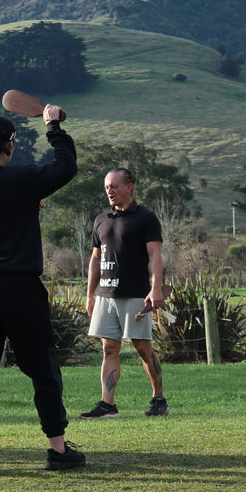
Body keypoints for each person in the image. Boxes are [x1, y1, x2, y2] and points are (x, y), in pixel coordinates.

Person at [0, 109, 86, 475]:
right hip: (17, 286)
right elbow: (65, 166)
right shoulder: (21, 179)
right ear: (10, 145)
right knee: (41, 365)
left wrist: (27, 204)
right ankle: (57, 450)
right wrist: (53, 126)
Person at [79, 167, 168, 419]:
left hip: (136, 295)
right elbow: (95, 260)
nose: (110, 190)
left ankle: (158, 399)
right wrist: (90, 295)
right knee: (109, 349)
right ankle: (108, 405)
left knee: (142, 347)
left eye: (114, 186)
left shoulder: (146, 218)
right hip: (106, 296)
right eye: (107, 186)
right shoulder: (101, 220)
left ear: (130, 187)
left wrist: (156, 288)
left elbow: (155, 256)